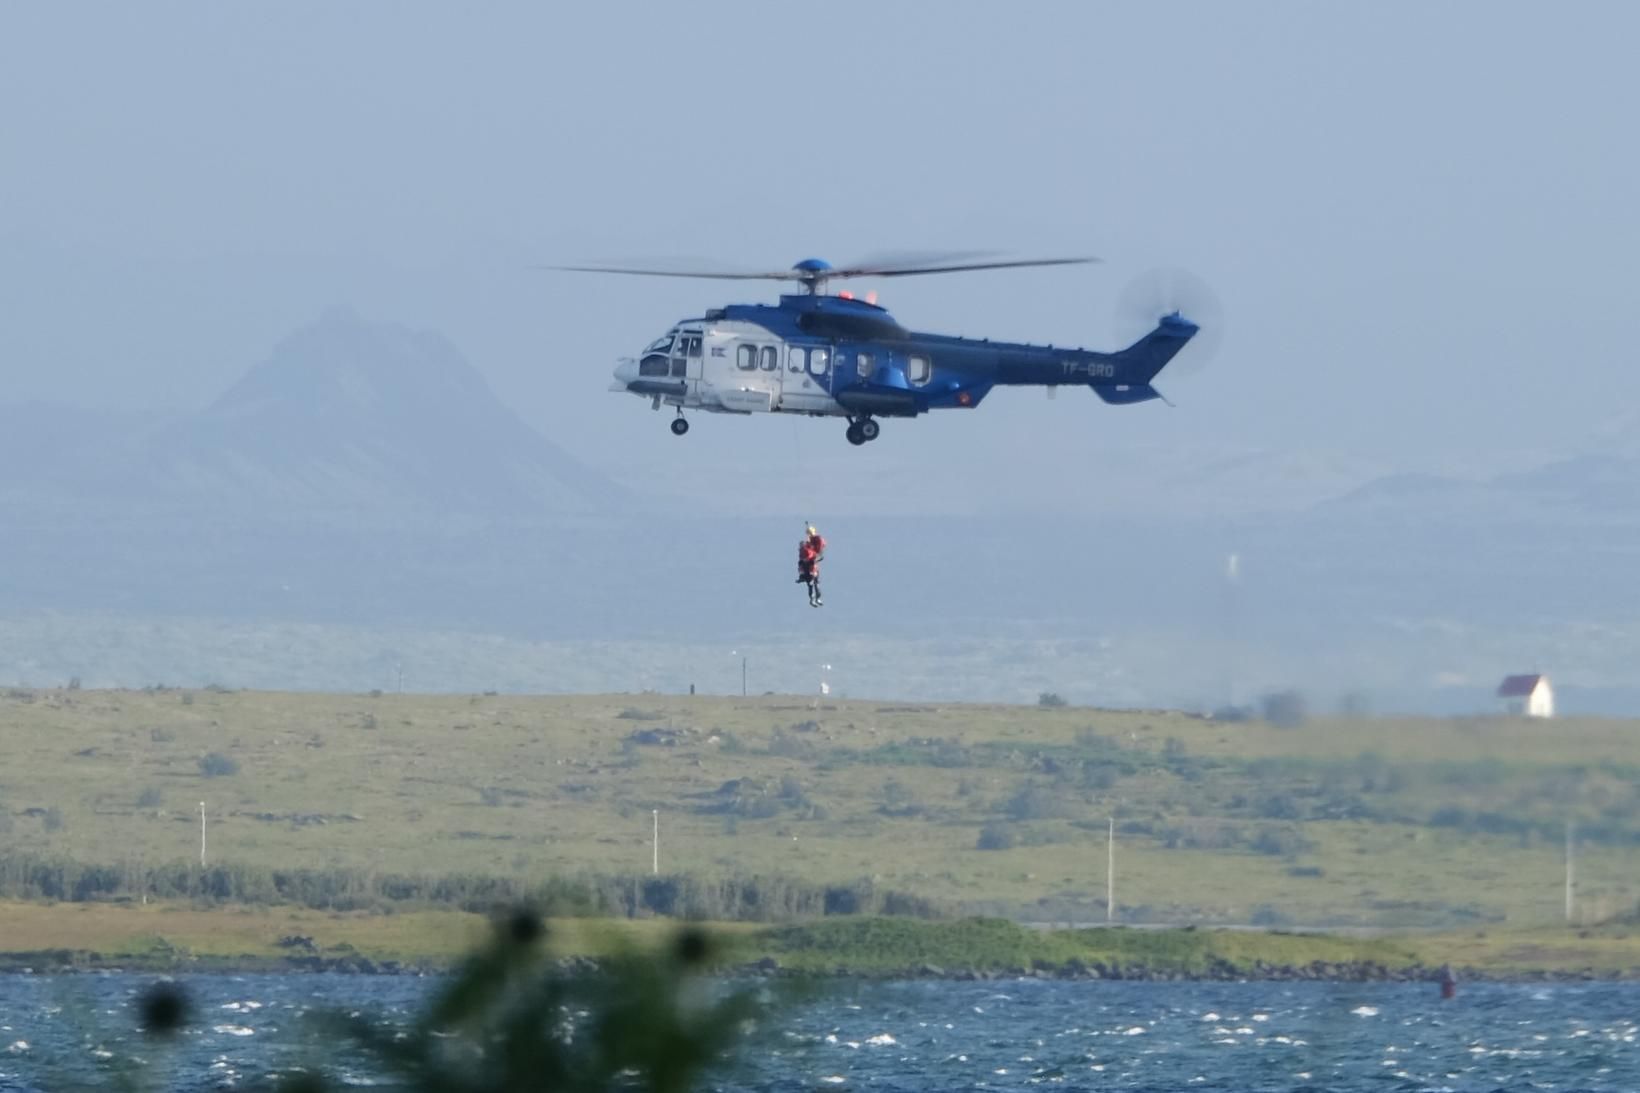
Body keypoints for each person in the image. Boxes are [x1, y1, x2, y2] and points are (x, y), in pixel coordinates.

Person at [797, 523, 826, 607]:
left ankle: (817, 598)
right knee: (811, 584)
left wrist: (816, 557)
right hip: (809, 566)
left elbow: (818, 551)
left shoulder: (815, 542)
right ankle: (813, 599)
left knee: (815, 583)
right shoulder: (807, 547)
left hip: (813, 565)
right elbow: (803, 558)